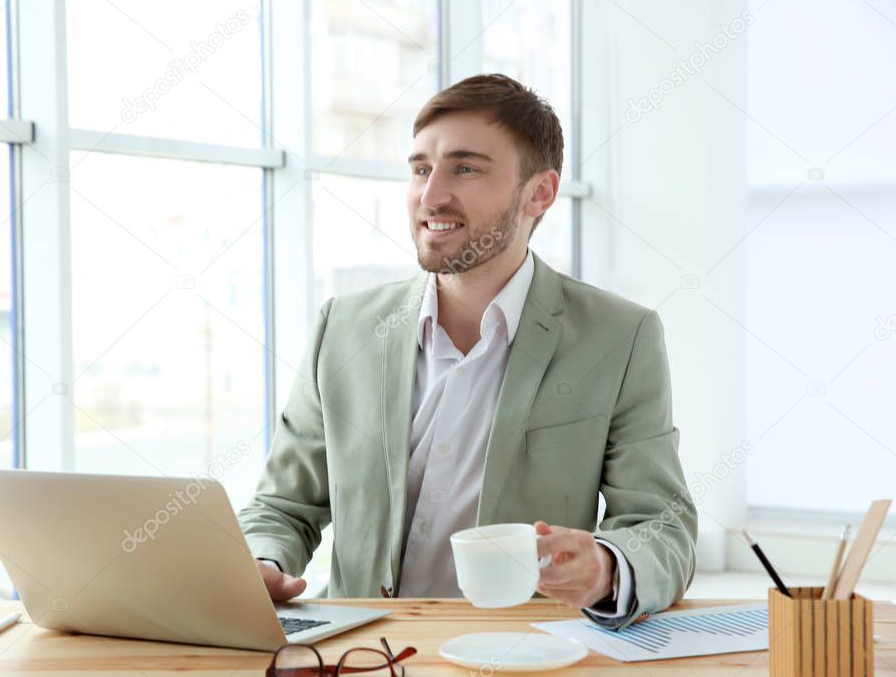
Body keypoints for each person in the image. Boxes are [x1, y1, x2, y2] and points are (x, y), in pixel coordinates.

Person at [237, 73, 696, 629]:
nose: (431, 196)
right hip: (363, 651)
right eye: (421, 169)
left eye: (466, 167)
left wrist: (608, 567)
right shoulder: (345, 327)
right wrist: (261, 562)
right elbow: (284, 505)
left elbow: (661, 524)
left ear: (540, 192)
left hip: (517, 652)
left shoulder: (620, 338)